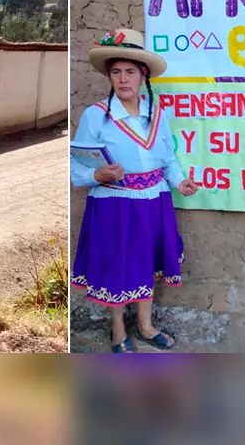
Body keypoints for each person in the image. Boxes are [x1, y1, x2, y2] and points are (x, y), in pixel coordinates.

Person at [70, 28, 199, 353]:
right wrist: (96, 174)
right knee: (117, 266)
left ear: (143, 77)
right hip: (115, 203)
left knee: (147, 262)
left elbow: (167, 158)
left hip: (153, 201)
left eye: (130, 72)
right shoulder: (97, 117)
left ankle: (145, 324)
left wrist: (179, 181)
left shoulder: (157, 115)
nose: (123, 79)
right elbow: (76, 165)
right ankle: (117, 330)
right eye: (116, 72)